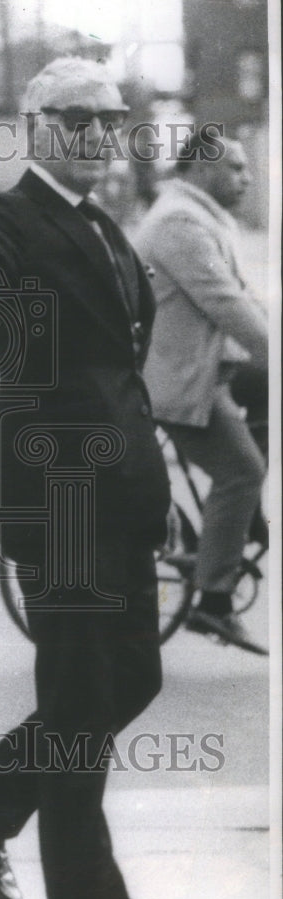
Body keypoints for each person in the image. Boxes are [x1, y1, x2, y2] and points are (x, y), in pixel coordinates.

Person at [0, 57, 171, 899]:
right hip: (60, 496)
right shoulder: (10, 216)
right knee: (78, 703)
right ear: (37, 128)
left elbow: (124, 368)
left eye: (113, 118)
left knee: (131, 679)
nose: (101, 133)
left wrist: (152, 484)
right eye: (82, 118)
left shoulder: (102, 223)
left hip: (121, 490)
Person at [135, 133, 268, 654]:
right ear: (202, 167)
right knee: (244, 470)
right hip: (177, 379)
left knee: (266, 400)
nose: (248, 177)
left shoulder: (197, 215)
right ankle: (213, 602)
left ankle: (240, 526)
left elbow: (246, 300)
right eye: (236, 168)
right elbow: (226, 305)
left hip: (201, 368)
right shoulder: (180, 223)